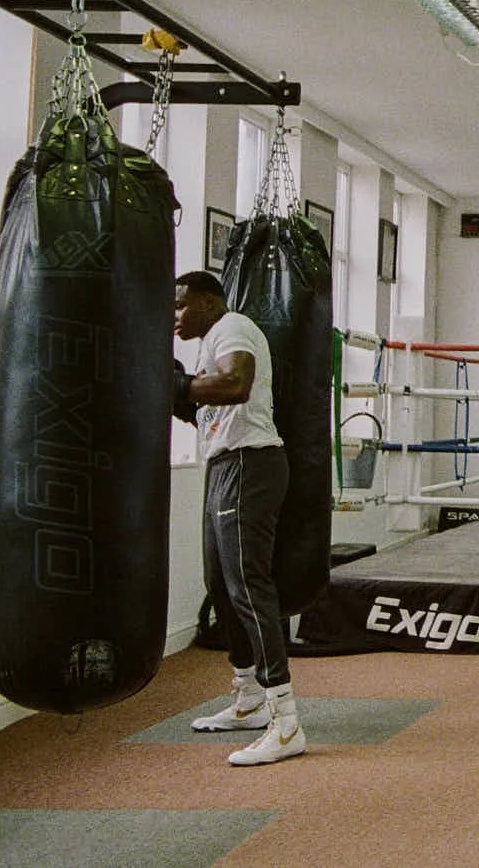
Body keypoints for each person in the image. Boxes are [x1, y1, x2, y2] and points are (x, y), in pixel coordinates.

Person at [171, 270, 306, 766]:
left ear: (208, 302)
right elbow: (207, 410)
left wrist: (182, 384)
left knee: (248, 586)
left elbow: (236, 384)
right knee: (222, 586)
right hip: (224, 464)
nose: (175, 316)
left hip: (251, 463)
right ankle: (248, 698)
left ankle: (286, 722)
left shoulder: (232, 327)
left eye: (182, 306)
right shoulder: (210, 342)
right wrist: (173, 393)